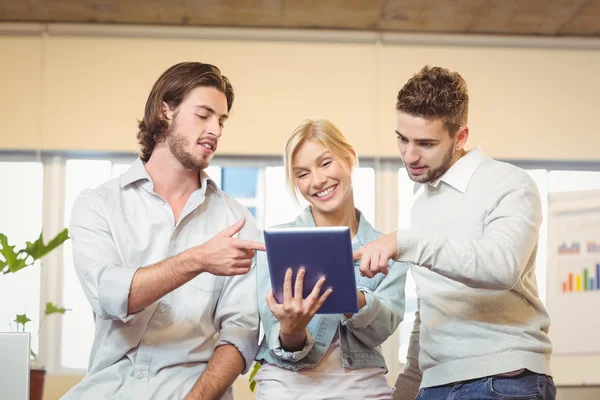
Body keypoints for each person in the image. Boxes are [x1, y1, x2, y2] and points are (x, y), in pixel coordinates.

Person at [62, 62, 265, 400]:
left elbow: (240, 333)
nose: (215, 129)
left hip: (193, 392)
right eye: (204, 115)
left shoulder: (237, 220)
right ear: (164, 112)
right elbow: (111, 297)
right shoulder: (98, 205)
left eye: (222, 120)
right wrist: (198, 259)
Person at [354, 66, 555, 400]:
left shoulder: (509, 184)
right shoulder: (423, 203)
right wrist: (407, 386)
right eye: (402, 139)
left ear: (460, 137)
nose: (409, 155)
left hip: (501, 379)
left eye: (426, 143)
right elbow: (433, 306)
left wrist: (404, 241)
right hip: (434, 386)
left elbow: (501, 266)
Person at [253, 117, 409, 399]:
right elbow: (277, 334)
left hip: (362, 383)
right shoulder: (276, 245)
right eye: (302, 174)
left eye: (325, 163)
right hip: (287, 382)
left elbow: (381, 330)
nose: (318, 180)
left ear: (349, 158)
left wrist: (355, 298)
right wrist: (292, 331)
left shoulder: (386, 248)